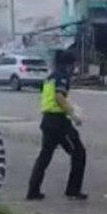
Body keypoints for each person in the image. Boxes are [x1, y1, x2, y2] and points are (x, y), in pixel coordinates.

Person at [26, 49, 88, 201]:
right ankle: (73, 191)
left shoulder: (50, 77)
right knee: (79, 153)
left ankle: (33, 191)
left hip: (47, 121)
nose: (74, 68)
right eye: (73, 65)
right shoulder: (62, 77)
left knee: (44, 157)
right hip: (59, 123)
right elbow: (59, 97)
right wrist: (73, 116)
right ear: (69, 65)